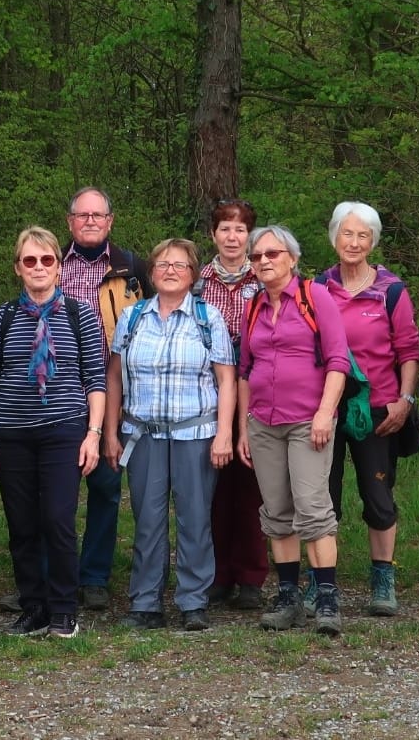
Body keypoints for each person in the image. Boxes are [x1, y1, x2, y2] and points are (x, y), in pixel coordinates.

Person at [0, 227, 106, 639]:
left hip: (64, 430)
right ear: (18, 268)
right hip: (11, 432)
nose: (38, 267)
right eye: (29, 261)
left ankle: (65, 609)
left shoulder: (79, 313)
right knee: (22, 524)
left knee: (57, 519)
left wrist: (94, 434)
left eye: (46, 260)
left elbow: (95, 380)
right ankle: (34, 606)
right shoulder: (4, 316)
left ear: (59, 267)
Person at [104, 239, 236, 631]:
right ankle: (146, 603)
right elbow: (113, 378)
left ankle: (193, 601)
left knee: (195, 519)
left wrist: (224, 433)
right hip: (142, 436)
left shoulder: (207, 318)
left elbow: (226, 380)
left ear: (194, 274)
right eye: (162, 263)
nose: (170, 270)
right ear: (151, 271)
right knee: (147, 520)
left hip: (195, 432)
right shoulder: (132, 318)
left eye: (180, 265)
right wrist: (110, 432)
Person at [238, 225, 349, 636]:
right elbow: (246, 371)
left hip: (309, 422)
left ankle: (326, 599)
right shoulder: (253, 308)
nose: (264, 261)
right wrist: (244, 427)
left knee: (313, 509)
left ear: (292, 258)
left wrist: (325, 413)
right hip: (264, 423)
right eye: (257, 256)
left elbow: (338, 361)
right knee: (277, 513)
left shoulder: (316, 297)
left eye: (273, 253)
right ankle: (287, 598)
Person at [316, 202, 419, 617]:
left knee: (378, 495)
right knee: (322, 498)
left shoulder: (391, 291)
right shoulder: (318, 288)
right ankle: (321, 584)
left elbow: (409, 351)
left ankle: (383, 578)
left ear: (373, 242)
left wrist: (405, 401)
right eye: (347, 234)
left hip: (379, 409)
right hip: (327, 408)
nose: (354, 242)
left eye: (363, 235)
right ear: (334, 237)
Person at [57, 187, 150, 612]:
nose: (90, 221)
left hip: (114, 392)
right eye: (83, 215)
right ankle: (51, 574)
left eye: (98, 215)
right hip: (59, 392)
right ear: (70, 221)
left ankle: (94, 576)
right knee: (54, 489)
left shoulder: (132, 267)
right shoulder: (49, 262)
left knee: (107, 486)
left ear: (110, 221)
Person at [195, 198, 267, 611]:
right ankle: (217, 574)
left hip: (257, 390)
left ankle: (252, 577)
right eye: (225, 228)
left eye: (240, 229)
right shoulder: (198, 281)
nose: (232, 236)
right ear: (214, 235)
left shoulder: (264, 277)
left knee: (252, 486)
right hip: (208, 392)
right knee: (213, 489)